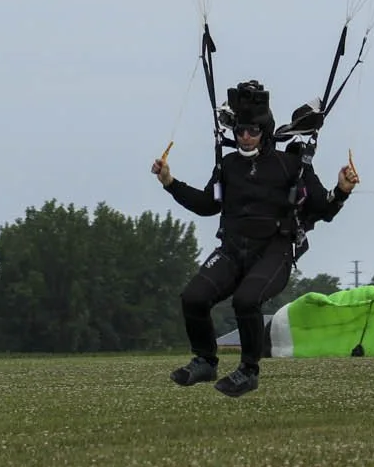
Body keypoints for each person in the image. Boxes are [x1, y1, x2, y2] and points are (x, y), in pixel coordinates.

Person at [152, 79, 359, 397]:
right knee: (192, 298)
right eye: (241, 131)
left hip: (274, 251)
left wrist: (342, 190)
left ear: (265, 132)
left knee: (246, 301)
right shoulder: (229, 165)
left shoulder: (290, 165)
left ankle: (249, 370)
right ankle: (206, 360)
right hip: (233, 250)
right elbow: (208, 204)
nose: (246, 137)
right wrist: (169, 182)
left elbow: (322, 208)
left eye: (253, 131)